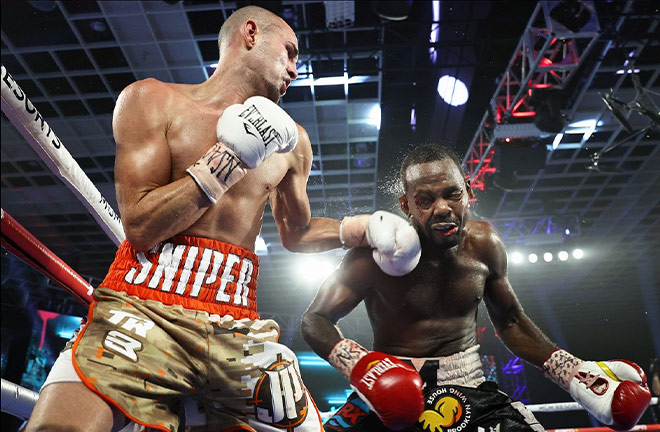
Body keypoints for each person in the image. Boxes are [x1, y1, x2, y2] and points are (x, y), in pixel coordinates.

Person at [25, 6, 421, 432]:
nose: (294, 68)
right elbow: (140, 226)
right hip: (143, 304)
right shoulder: (152, 100)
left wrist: (365, 229)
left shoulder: (293, 142)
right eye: (289, 52)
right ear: (251, 34)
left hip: (237, 323)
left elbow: (298, 232)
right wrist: (226, 160)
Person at [301, 144, 652, 432]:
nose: (442, 208)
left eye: (452, 194)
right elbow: (315, 319)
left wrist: (573, 371)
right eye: (425, 200)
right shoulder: (372, 256)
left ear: (468, 192)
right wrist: (362, 365)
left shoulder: (485, 243)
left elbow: (511, 321)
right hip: (389, 383)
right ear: (406, 205)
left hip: (469, 384)